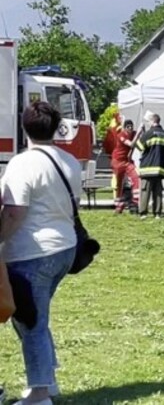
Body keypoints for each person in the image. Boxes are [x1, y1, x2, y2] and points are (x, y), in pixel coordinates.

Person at [1, 101, 80, 405]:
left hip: (31, 252)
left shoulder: (23, 163)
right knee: (34, 317)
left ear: (25, 128)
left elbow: (14, 214)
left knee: (30, 321)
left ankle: (39, 393)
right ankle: (48, 380)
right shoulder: (69, 160)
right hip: (65, 248)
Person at [136, 113, 164, 219]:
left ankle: (143, 213)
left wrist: (141, 133)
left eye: (149, 121)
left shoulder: (149, 133)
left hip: (147, 167)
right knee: (158, 192)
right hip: (160, 168)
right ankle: (157, 213)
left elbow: (139, 147)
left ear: (152, 121)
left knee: (145, 190)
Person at [111, 119, 141, 214]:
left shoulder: (134, 134)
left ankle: (135, 202)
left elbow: (138, 145)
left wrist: (141, 132)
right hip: (118, 161)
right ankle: (118, 206)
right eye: (128, 126)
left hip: (127, 161)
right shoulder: (121, 135)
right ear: (125, 128)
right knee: (119, 183)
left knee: (136, 177)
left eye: (131, 126)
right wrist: (139, 133)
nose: (130, 128)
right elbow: (131, 144)